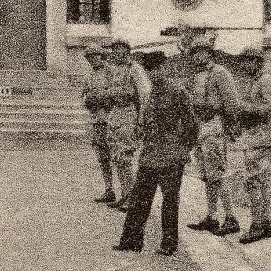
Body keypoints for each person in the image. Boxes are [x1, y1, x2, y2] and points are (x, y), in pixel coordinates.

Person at [113, 72, 199, 255]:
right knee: (139, 199)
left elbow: (192, 124)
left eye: (158, 69)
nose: (154, 74)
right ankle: (131, 240)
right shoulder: (151, 94)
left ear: (165, 69)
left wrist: (183, 149)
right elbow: (145, 124)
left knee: (169, 201)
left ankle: (168, 244)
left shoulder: (178, 92)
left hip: (171, 157)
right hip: (150, 156)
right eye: (150, 70)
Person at [186, 37, 243, 236]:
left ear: (209, 53)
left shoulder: (220, 73)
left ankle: (230, 217)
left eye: (200, 52)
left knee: (217, 173)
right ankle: (211, 216)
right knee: (206, 175)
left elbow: (232, 103)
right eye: (193, 53)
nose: (196, 56)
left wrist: (231, 125)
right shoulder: (196, 76)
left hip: (215, 127)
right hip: (200, 128)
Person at [232, 45, 271, 244]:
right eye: (244, 61)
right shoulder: (255, 81)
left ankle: (259, 225)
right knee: (254, 181)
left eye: (249, 61)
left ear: (257, 62)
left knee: (255, 181)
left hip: (263, 138)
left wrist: (246, 108)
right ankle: (263, 223)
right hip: (254, 138)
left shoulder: (266, 81)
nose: (245, 65)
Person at [101, 39, 144, 213]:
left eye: (120, 49)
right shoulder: (114, 70)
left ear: (127, 51)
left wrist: (140, 121)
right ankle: (125, 195)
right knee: (118, 158)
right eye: (114, 49)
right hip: (115, 114)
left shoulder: (134, 69)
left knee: (126, 158)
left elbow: (144, 94)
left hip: (129, 113)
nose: (117, 52)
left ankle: (132, 198)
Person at [79, 43, 119, 203]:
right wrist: (88, 99)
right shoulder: (88, 76)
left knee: (117, 156)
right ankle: (109, 189)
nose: (93, 59)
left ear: (102, 57)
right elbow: (83, 96)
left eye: (96, 56)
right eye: (90, 57)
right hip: (96, 120)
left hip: (111, 119)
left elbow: (116, 93)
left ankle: (125, 192)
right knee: (102, 157)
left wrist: (102, 97)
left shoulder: (111, 72)